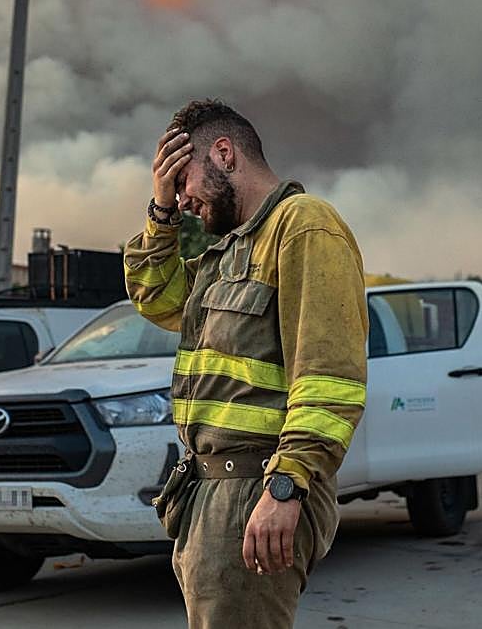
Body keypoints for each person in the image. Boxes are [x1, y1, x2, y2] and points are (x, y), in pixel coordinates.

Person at [124, 99, 368, 628]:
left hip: (257, 491)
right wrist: (160, 213)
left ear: (224, 154)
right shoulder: (230, 251)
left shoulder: (303, 227)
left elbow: (330, 381)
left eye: (183, 179)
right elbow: (156, 296)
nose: (184, 198)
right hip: (211, 495)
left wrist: (286, 487)